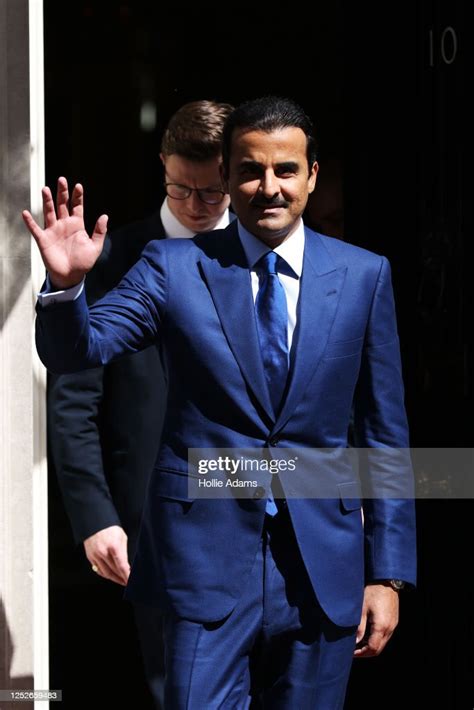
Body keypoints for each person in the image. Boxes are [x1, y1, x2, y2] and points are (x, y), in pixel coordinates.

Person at [25, 96, 416, 709]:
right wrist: (68, 287)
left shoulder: (364, 276)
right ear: (229, 180)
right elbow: (82, 350)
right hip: (204, 566)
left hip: (324, 570)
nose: (269, 187)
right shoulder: (173, 265)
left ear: (312, 175)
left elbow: (384, 433)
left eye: (286, 170)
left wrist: (387, 573)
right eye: (251, 171)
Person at [46, 99, 234, 708]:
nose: (196, 207)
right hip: (154, 524)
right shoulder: (114, 258)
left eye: (212, 192)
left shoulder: (268, 258)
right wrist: (95, 515)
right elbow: (73, 400)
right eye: (181, 189)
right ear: (162, 167)